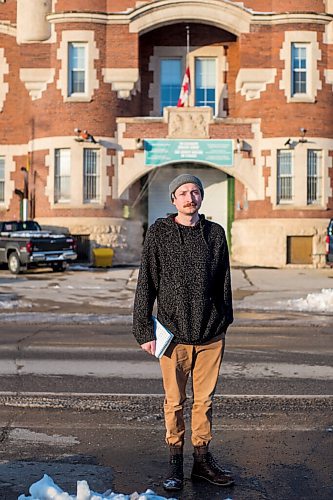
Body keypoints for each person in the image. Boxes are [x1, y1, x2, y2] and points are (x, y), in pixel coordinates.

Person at [132, 173, 234, 491]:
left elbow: (224, 282)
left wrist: (223, 321)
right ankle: (175, 462)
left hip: (209, 336)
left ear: (201, 198)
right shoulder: (159, 234)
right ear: (173, 199)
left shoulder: (215, 234)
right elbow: (146, 282)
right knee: (174, 402)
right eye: (184, 193)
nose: (191, 197)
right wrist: (143, 329)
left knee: (204, 402)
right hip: (172, 335)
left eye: (195, 192)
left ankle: (201, 461)